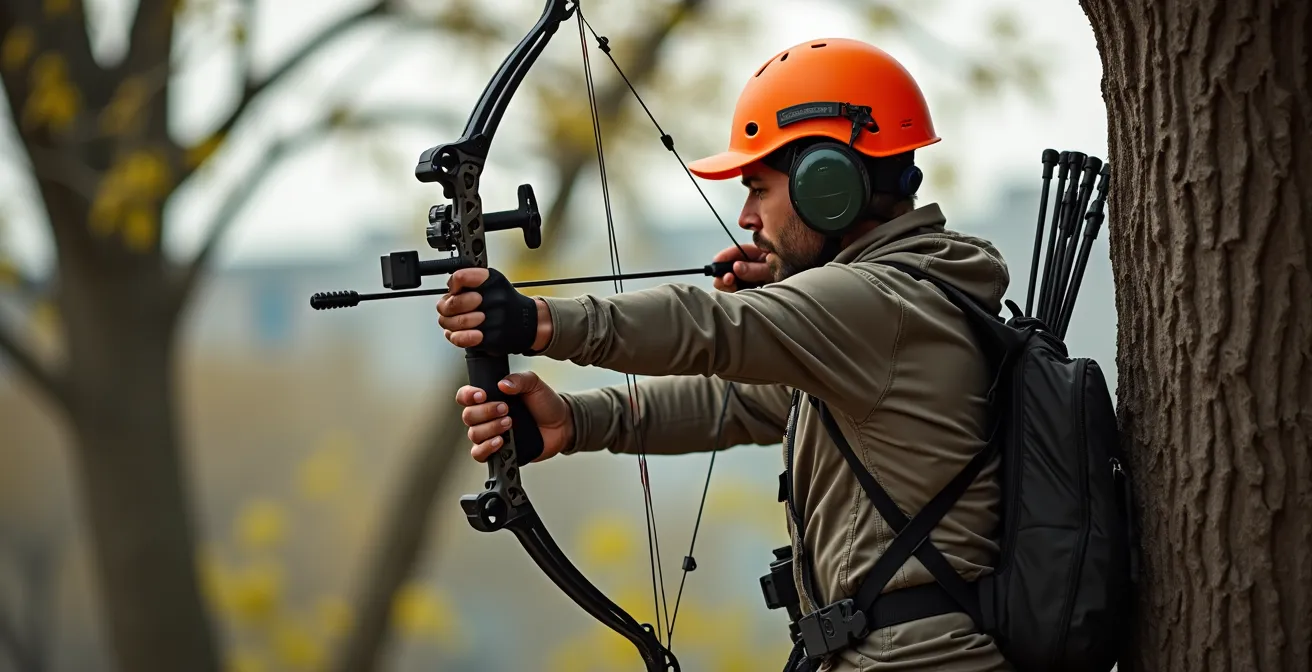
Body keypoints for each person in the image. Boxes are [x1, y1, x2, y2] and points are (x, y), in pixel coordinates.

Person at [437, 38, 1012, 672]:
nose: (744, 217)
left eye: (758, 189)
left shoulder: (881, 301)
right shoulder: (903, 301)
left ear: (829, 186)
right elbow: (736, 403)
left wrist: (536, 321)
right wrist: (574, 421)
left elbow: (713, 326)